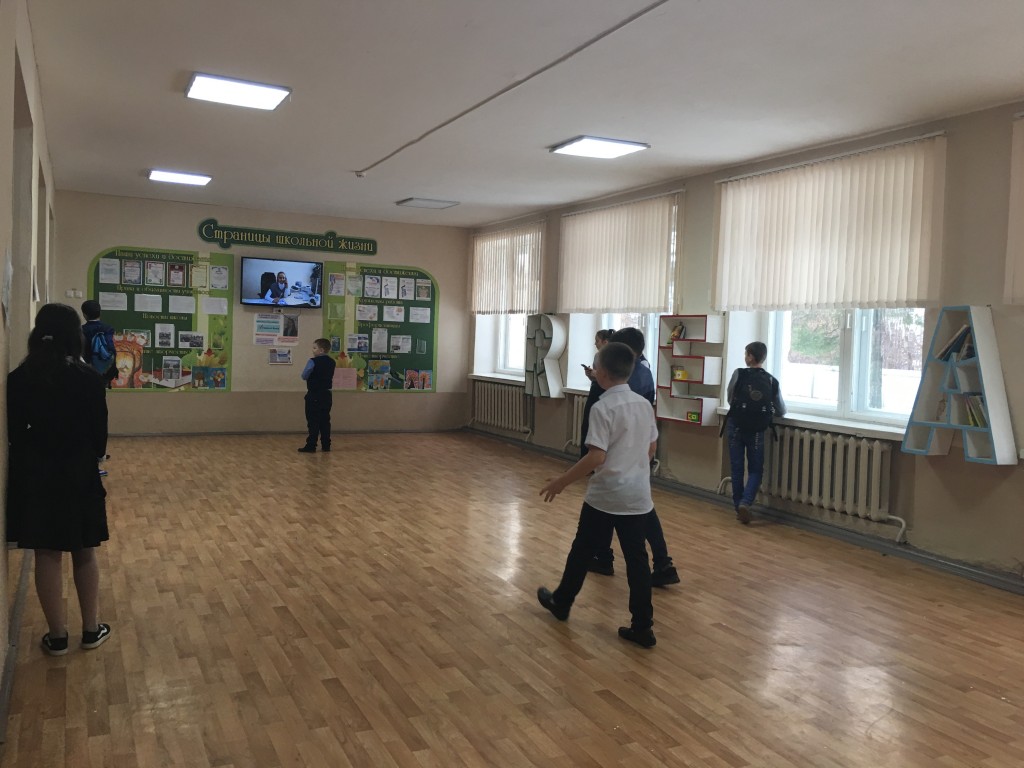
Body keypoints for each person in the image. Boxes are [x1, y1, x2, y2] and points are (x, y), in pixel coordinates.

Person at [536, 341, 658, 648]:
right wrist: (633, 466)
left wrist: (562, 481)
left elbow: (596, 456)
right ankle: (643, 626)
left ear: (600, 373)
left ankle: (562, 602)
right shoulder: (644, 405)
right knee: (638, 561)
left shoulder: (603, 407)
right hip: (637, 496)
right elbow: (651, 447)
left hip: (606, 496)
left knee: (582, 550)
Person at [7, 303, 112, 655]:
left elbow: (14, 434)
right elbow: (99, 437)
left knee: (47, 552)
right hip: (79, 472)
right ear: (74, 335)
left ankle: (57, 637)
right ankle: (91, 629)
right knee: (85, 550)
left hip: (37, 474)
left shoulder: (19, 378)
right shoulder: (89, 378)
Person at [589, 327, 680, 587]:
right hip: (630, 456)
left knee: (631, 512)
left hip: (621, 455)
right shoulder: (643, 373)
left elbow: (623, 418)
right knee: (628, 508)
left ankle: (657, 562)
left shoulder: (630, 380)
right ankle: (654, 561)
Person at [725, 341, 786, 524]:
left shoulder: (739, 374)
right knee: (756, 470)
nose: (745, 357)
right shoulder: (771, 380)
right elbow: (781, 409)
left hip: (736, 426)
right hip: (758, 430)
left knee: (737, 468)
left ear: (751, 357)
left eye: (746, 354)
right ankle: (746, 503)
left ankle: (738, 507)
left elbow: (730, 398)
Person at [578, 328, 614, 459]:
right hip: (595, 391)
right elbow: (596, 378)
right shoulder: (597, 356)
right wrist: (590, 374)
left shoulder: (614, 358)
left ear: (605, 342)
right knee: (587, 425)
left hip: (606, 394)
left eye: (597, 341)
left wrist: (597, 374)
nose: (595, 344)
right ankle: (584, 458)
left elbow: (610, 378)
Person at [298, 338, 337, 452]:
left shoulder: (312, 361)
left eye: (314, 348)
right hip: (327, 394)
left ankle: (311, 445)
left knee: (313, 420)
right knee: (325, 420)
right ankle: (326, 445)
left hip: (314, 394)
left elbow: (304, 375)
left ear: (321, 350)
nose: (313, 350)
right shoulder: (332, 362)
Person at [80, 299, 117, 388]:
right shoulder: (108, 328)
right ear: (100, 312)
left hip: (87, 369)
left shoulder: (81, 330)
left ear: (84, 314)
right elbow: (111, 349)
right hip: (105, 370)